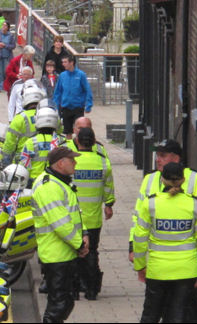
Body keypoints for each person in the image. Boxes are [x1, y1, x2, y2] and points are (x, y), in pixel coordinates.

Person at [129, 139, 197, 322]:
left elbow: (141, 230)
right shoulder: (149, 179)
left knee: (155, 311)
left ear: (176, 158)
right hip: (187, 266)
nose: (157, 159)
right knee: (177, 312)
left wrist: (139, 263)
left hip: (158, 266)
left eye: (163, 155)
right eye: (157, 155)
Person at [31, 146, 88, 323]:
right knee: (59, 304)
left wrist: (84, 232)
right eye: (72, 160)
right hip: (56, 254)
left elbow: (73, 214)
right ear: (61, 163)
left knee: (64, 302)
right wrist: (79, 244)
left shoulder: (60, 182)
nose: (75, 163)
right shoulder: (48, 186)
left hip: (63, 252)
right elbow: (61, 223)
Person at [71, 127, 114, 301]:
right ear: (94, 142)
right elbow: (108, 187)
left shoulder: (71, 162)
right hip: (94, 219)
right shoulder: (103, 162)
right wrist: (109, 204)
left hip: (74, 218)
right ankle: (92, 289)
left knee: (73, 253)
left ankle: (74, 291)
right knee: (92, 252)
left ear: (77, 142)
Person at [2, 83, 46, 166]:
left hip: (23, 160)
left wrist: (5, 158)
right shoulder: (48, 115)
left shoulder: (20, 118)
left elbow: (10, 142)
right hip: (44, 159)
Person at [53, 56, 93, 141]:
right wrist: (55, 106)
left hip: (78, 107)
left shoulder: (81, 75)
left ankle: (80, 146)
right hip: (66, 107)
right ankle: (69, 147)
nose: (63, 64)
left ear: (71, 63)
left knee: (79, 129)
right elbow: (58, 92)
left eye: (65, 62)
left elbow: (87, 90)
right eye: (62, 62)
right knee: (67, 131)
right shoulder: (62, 75)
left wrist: (88, 105)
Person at [23, 106, 61, 182]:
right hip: (54, 182)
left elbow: (24, 165)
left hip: (33, 182)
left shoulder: (31, 142)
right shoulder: (61, 141)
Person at [0, 21, 16, 92]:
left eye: (5, 26)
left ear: (8, 28)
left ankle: (5, 85)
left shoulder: (10, 36)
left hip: (7, 56)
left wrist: (6, 45)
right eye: (3, 25)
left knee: (6, 71)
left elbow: (13, 46)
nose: (3, 27)